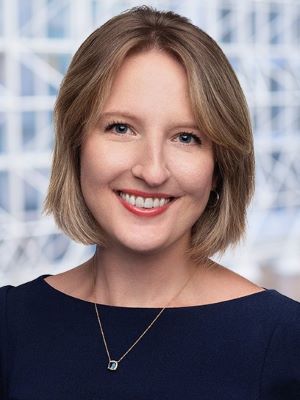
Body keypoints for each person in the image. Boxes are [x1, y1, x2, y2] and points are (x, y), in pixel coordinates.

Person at [0, 5, 299, 399]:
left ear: (219, 167)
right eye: (121, 128)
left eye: (186, 137)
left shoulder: (284, 342)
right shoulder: (10, 323)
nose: (153, 171)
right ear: (76, 145)